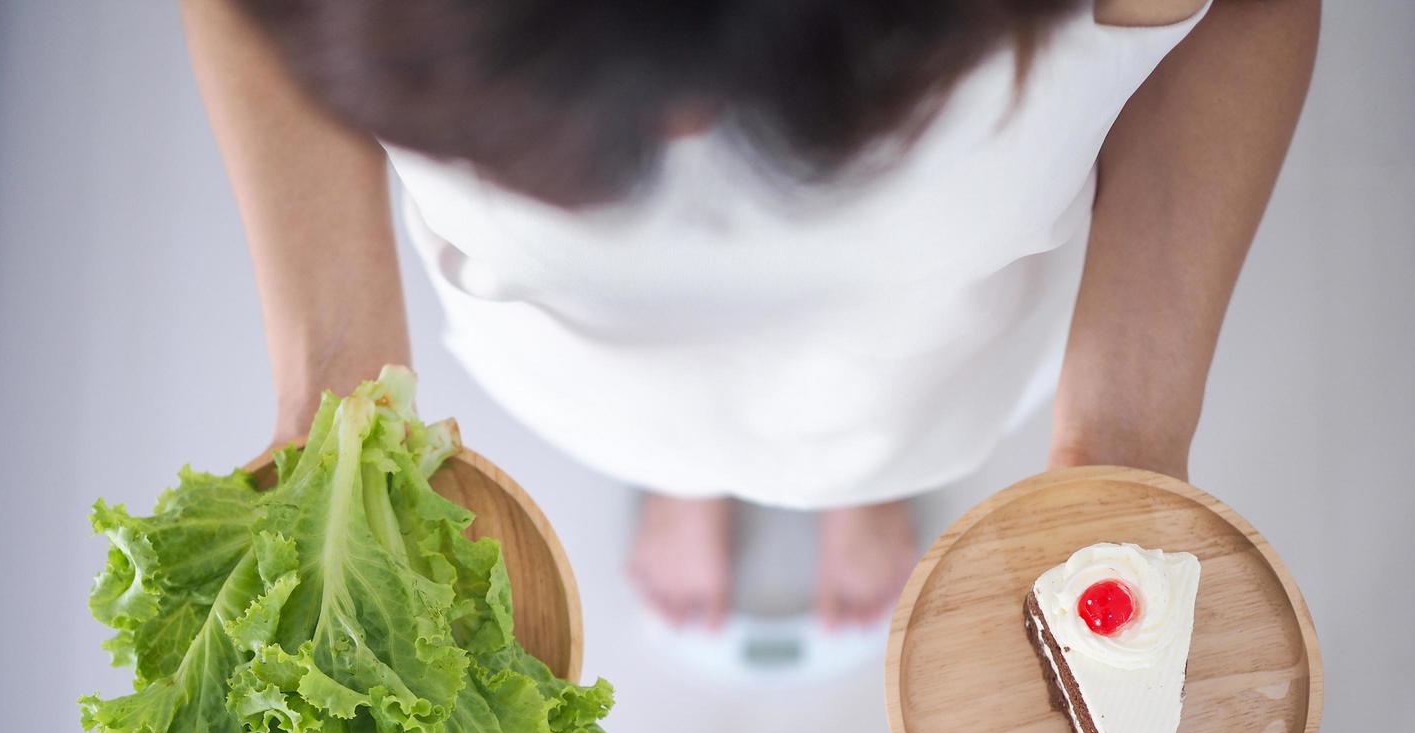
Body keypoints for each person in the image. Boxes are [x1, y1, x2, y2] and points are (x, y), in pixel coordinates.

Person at [182, 0, 1318, 630]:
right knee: (646, 402)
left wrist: (1126, 432)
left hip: (936, 345)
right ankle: (691, 474)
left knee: (896, 394)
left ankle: (864, 482)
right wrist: (333, 380)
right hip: (569, 344)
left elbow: (1238, 13)